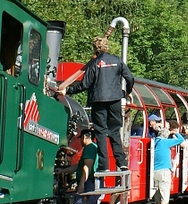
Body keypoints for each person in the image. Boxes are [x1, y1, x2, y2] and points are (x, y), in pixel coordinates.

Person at [58, 35, 135, 172]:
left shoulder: (94, 64)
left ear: (95, 48)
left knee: (100, 132)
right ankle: (121, 162)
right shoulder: (117, 60)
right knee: (114, 130)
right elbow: (129, 78)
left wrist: (68, 91)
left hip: (98, 100)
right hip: (115, 99)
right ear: (107, 46)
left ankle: (104, 165)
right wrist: (127, 92)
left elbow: (85, 84)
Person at [150, 124, 186, 204]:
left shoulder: (154, 142)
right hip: (164, 172)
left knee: (157, 197)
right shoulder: (164, 142)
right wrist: (174, 132)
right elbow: (180, 140)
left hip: (154, 172)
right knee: (164, 197)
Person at [74, 126, 101, 204]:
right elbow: (78, 167)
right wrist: (63, 170)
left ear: (85, 137)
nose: (80, 141)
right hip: (92, 183)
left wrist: (81, 185)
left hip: (89, 183)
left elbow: (87, 167)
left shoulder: (89, 148)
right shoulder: (95, 147)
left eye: (81, 138)